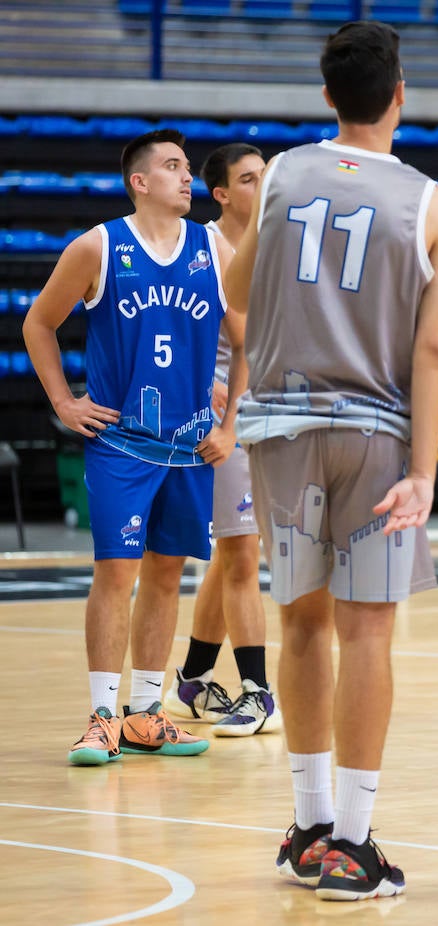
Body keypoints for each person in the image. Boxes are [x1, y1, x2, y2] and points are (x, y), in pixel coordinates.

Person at [224, 21, 438, 902]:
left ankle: (308, 827)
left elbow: (238, 291)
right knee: (368, 632)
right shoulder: (432, 204)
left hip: (281, 433)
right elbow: (432, 353)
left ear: (328, 97)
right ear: (400, 94)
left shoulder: (283, 172)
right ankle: (355, 846)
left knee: (302, 625)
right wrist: (426, 470)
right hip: (374, 434)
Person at [23, 129, 237, 765]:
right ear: (139, 182)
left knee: (169, 574)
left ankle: (146, 714)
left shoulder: (213, 247)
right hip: (122, 439)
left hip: (191, 442)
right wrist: (63, 402)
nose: (186, 177)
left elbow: (251, 339)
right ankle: (101, 716)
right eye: (172, 167)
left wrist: (229, 424)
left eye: (187, 168)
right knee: (117, 572)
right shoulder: (99, 246)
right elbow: (38, 322)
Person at [165, 142, 280, 737]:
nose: (262, 186)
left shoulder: (279, 242)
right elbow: (180, 327)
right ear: (223, 194)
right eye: (250, 179)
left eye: (266, 176)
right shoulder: (204, 248)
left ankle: (192, 677)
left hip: (269, 411)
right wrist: (200, 389)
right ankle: (257, 691)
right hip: (223, 420)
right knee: (240, 553)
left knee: (233, 549)